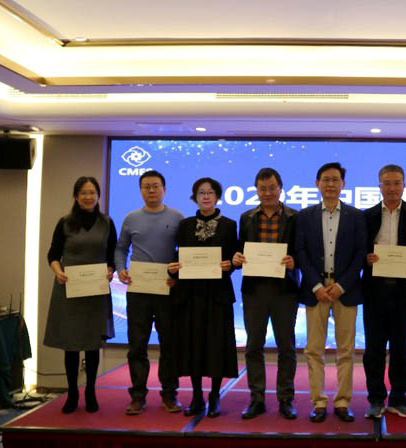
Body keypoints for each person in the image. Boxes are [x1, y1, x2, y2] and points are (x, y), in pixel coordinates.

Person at [295, 162, 367, 423]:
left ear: (343, 184)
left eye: (335, 180)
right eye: (325, 179)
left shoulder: (356, 216)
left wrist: (341, 286)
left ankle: (343, 401)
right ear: (317, 183)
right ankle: (318, 402)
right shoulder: (305, 216)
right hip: (315, 290)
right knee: (314, 349)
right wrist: (316, 285)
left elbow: (360, 254)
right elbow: (300, 252)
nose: (330, 184)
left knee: (345, 350)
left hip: (345, 290)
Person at [43, 176, 116, 414]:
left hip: (95, 290)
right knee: (72, 344)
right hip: (69, 289)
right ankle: (72, 392)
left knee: (92, 344)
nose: (88, 197)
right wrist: (58, 271)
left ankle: (91, 391)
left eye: (92, 192)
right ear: (76, 196)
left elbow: (112, 256)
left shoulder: (107, 223)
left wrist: (111, 270)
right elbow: (53, 255)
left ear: (98, 195)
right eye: (83, 193)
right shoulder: (64, 222)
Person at [232, 168, 300, 420]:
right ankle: (257, 398)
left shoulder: (295, 217)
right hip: (255, 290)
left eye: (272, 187)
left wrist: (296, 261)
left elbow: (302, 250)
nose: (268, 193)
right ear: (257, 190)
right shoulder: (246, 217)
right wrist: (237, 258)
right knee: (253, 346)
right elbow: (240, 249)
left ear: (280, 188)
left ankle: (286, 398)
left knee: (286, 347)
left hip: (285, 290)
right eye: (263, 189)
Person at [362, 164, 406, 419]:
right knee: (374, 349)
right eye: (387, 183)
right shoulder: (367, 216)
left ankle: (399, 398)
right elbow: (359, 251)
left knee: (400, 349)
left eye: (397, 183)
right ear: (379, 186)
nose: (392, 188)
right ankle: (375, 398)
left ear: (404, 185)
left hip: (403, 293)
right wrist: (366, 259)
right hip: (374, 291)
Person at [115, 170, 184, 415]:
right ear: (140, 190)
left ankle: (170, 394)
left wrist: (178, 276)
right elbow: (121, 249)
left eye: (155, 186)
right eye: (146, 186)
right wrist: (121, 270)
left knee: (170, 345)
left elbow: (184, 252)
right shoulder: (131, 218)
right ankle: (137, 395)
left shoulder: (177, 217)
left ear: (164, 189)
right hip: (138, 290)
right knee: (137, 345)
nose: (151, 190)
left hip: (167, 289)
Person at [168, 177, 238, 418]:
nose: (206, 196)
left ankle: (215, 396)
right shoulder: (185, 225)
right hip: (190, 295)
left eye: (210, 192)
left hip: (217, 295)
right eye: (201, 193)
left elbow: (234, 258)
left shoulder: (229, 225)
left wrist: (230, 265)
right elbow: (178, 256)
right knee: (193, 345)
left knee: (217, 345)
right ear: (195, 197)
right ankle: (197, 395)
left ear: (217, 196)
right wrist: (172, 269)